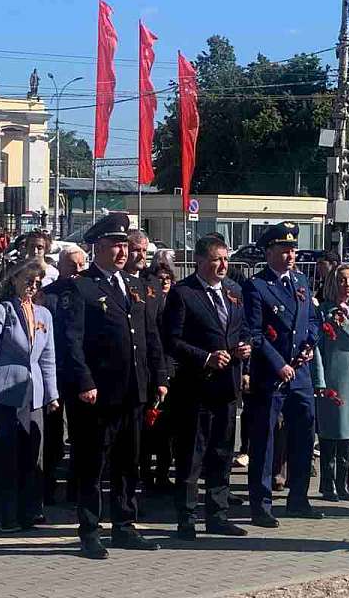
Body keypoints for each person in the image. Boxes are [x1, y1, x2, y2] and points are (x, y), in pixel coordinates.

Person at [60, 213, 168, 559]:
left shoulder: (135, 286)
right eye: (115, 245)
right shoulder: (82, 286)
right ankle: (90, 530)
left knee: (128, 463)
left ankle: (124, 525)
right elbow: (71, 342)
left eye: (125, 244)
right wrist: (84, 381)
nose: (122, 252)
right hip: (99, 395)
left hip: (133, 392)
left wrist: (160, 377)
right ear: (98, 248)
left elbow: (149, 336)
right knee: (93, 465)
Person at [162, 235, 251, 540]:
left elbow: (244, 329)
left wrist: (244, 348)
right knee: (191, 455)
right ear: (200, 261)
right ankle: (186, 518)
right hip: (195, 389)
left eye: (226, 259)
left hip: (227, 388)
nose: (223, 265)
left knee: (222, 453)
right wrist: (206, 358)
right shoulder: (183, 293)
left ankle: (218, 514)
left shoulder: (234, 291)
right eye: (216, 259)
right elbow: (171, 341)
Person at [0, 259, 60, 532]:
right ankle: (3, 514)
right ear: (14, 280)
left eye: (36, 282)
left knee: (33, 456)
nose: (32, 286)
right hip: (3, 394)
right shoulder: (0, 311)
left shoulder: (44, 315)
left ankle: (30, 510)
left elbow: (48, 358)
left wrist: (52, 394)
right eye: (27, 281)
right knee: (4, 457)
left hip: (34, 396)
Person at [243, 221, 322, 527]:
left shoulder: (300, 281)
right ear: (269, 252)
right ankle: (260, 504)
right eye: (283, 250)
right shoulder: (257, 286)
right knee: (264, 441)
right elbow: (255, 332)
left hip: (300, 374)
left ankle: (298, 498)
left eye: (293, 249)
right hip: (272, 375)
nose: (290, 256)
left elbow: (313, 319)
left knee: (304, 435)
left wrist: (310, 344)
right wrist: (279, 363)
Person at [38, 245, 87, 505]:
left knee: (80, 433)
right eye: (72, 265)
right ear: (61, 266)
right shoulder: (47, 295)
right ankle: (47, 486)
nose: (78, 270)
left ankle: (76, 488)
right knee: (52, 435)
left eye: (81, 265)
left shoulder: (89, 292)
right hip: (53, 373)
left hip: (78, 373)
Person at [310, 264, 349, 502]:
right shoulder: (324, 311)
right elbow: (317, 349)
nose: (347, 285)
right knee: (330, 434)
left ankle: (344, 483)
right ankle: (327, 484)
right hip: (333, 377)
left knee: (348, 434)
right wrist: (319, 380)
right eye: (342, 280)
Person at [139, 259, 177, 493]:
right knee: (146, 430)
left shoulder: (175, 301)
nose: (164, 283)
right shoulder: (148, 302)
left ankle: (163, 473)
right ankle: (146, 474)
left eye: (167, 279)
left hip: (169, 368)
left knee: (167, 431)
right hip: (149, 369)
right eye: (159, 279)